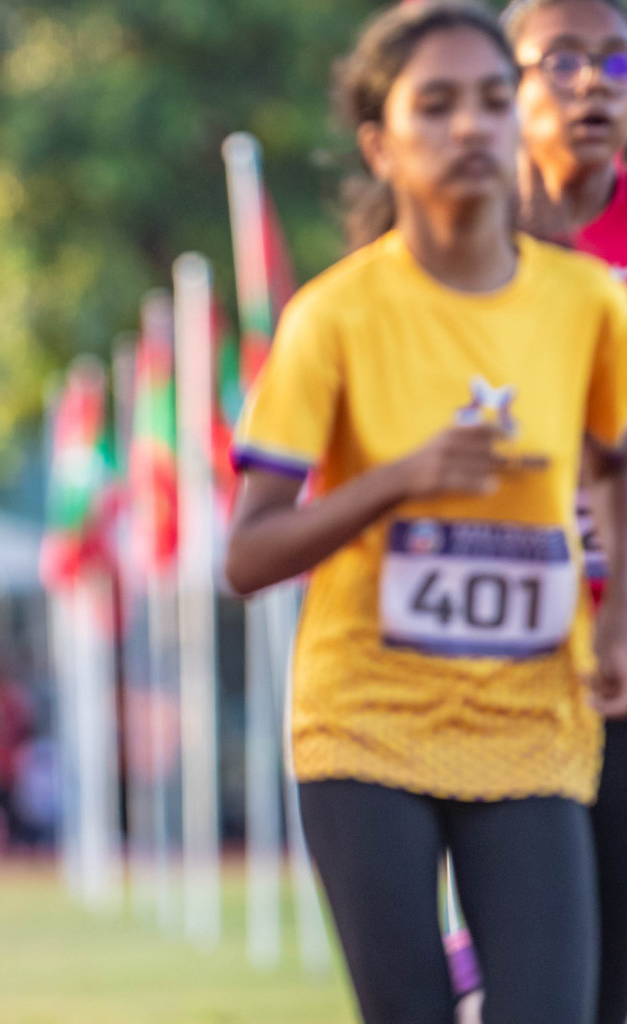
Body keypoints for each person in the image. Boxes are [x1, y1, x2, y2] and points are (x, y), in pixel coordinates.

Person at [225, 4, 627, 1023]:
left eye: (494, 101)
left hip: (533, 721)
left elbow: (616, 467)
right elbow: (248, 554)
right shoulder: (334, 315)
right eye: (437, 104)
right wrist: (397, 481)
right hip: (368, 727)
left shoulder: (588, 303)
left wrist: (617, 616)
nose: (473, 127)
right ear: (382, 143)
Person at [509, 3, 627, 1020]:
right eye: (565, 62)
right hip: (496, 650)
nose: (595, 83)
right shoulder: (459, 233)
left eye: (617, 63)